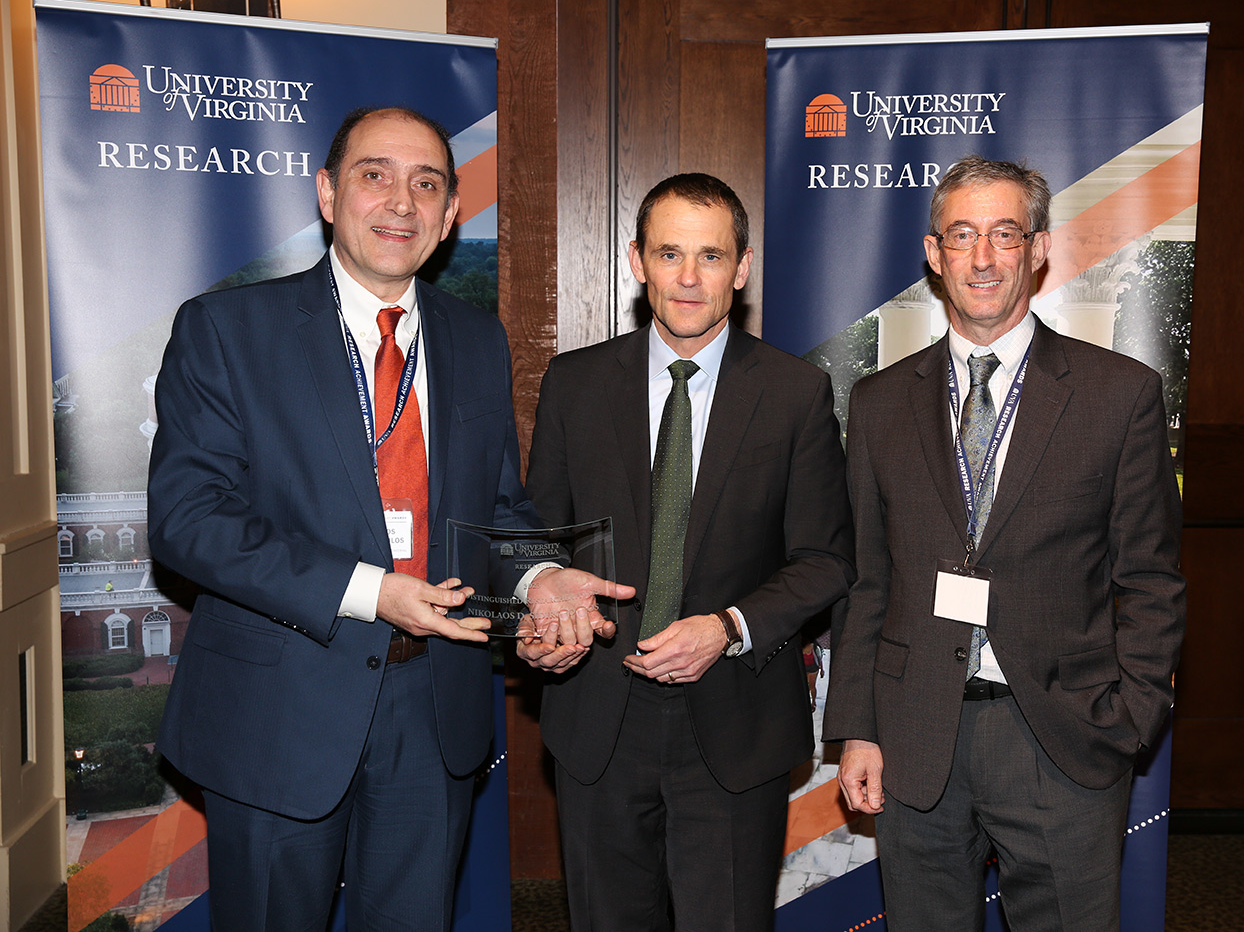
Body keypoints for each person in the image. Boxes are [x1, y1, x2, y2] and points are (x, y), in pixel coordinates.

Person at [147, 106, 627, 932]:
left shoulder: (476, 338)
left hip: (430, 704)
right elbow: (190, 521)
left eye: (427, 183)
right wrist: (374, 590)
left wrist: (543, 575)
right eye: (375, 175)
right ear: (330, 194)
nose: (400, 201)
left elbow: (497, 506)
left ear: (449, 219)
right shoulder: (227, 330)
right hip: (278, 709)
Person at [823, 156, 1186, 931]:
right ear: (934, 253)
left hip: (1062, 736)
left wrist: (1128, 717)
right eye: (962, 235)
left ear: (1039, 247)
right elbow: (866, 580)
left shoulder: (1119, 396)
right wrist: (858, 725)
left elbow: (1151, 579)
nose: (983, 257)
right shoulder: (880, 403)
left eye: (1003, 234)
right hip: (917, 737)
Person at [520, 173, 856, 931]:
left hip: (733, 723)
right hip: (598, 716)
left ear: (741, 269)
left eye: (711, 255)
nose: (690, 277)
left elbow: (827, 558)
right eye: (670, 253)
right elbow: (536, 537)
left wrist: (728, 626)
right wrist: (541, 605)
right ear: (636, 260)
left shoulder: (796, 391)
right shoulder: (574, 384)